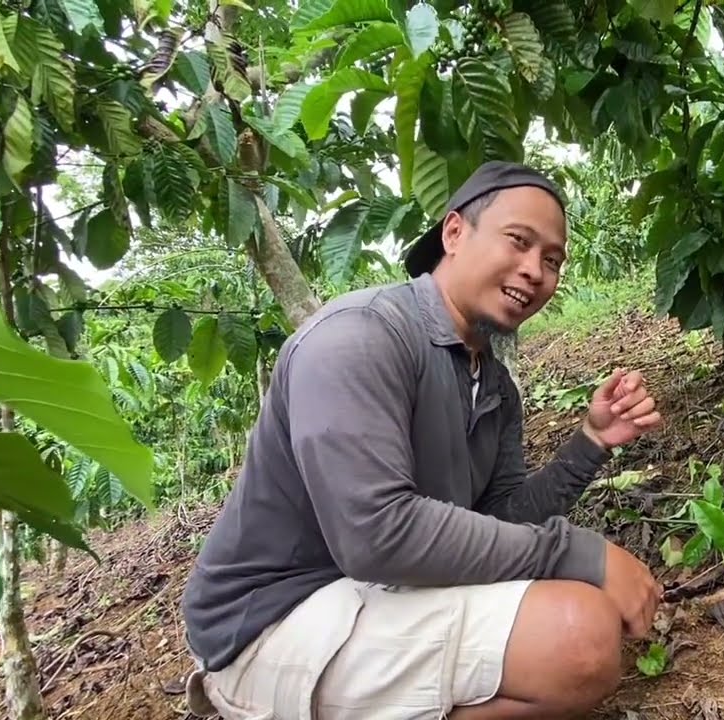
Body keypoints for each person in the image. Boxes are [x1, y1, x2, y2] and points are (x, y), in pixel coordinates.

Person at [180, 160, 664, 720]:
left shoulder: (495, 386)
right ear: (454, 232)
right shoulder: (358, 337)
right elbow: (376, 535)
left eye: (552, 260)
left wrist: (592, 441)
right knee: (577, 636)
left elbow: (501, 519)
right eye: (518, 241)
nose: (535, 270)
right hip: (271, 622)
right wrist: (576, 551)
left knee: (577, 625)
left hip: (379, 590)